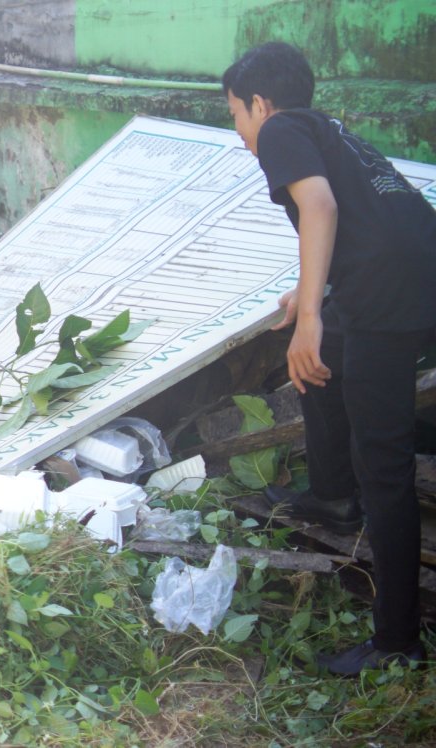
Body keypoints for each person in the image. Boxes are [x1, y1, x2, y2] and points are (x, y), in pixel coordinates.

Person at [224, 42, 436, 675]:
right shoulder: (328, 129)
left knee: (384, 466)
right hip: (412, 273)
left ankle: (396, 640)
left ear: (260, 103)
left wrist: (311, 316)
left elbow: (320, 206)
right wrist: (310, 295)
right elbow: (370, 221)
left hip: (389, 300)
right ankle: (332, 493)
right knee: (321, 355)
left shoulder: (281, 129)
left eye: (235, 115)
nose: (239, 132)